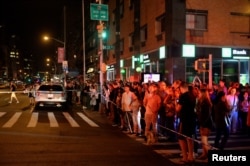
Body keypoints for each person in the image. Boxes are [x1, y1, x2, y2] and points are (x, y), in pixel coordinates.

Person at [175, 82, 196, 163]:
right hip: (192, 118)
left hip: (184, 119)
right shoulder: (192, 95)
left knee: (181, 137)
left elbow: (178, 109)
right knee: (190, 137)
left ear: (182, 88)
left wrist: (176, 103)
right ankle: (191, 155)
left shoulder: (183, 96)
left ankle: (185, 156)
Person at [196, 88, 213, 160]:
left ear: (203, 94)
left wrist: (202, 124)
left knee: (204, 141)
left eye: (200, 93)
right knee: (203, 140)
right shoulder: (202, 102)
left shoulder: (206, 103)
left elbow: (207, 115)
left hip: (206, 123)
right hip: (203, 122)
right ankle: (204, 154)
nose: (198, 94)